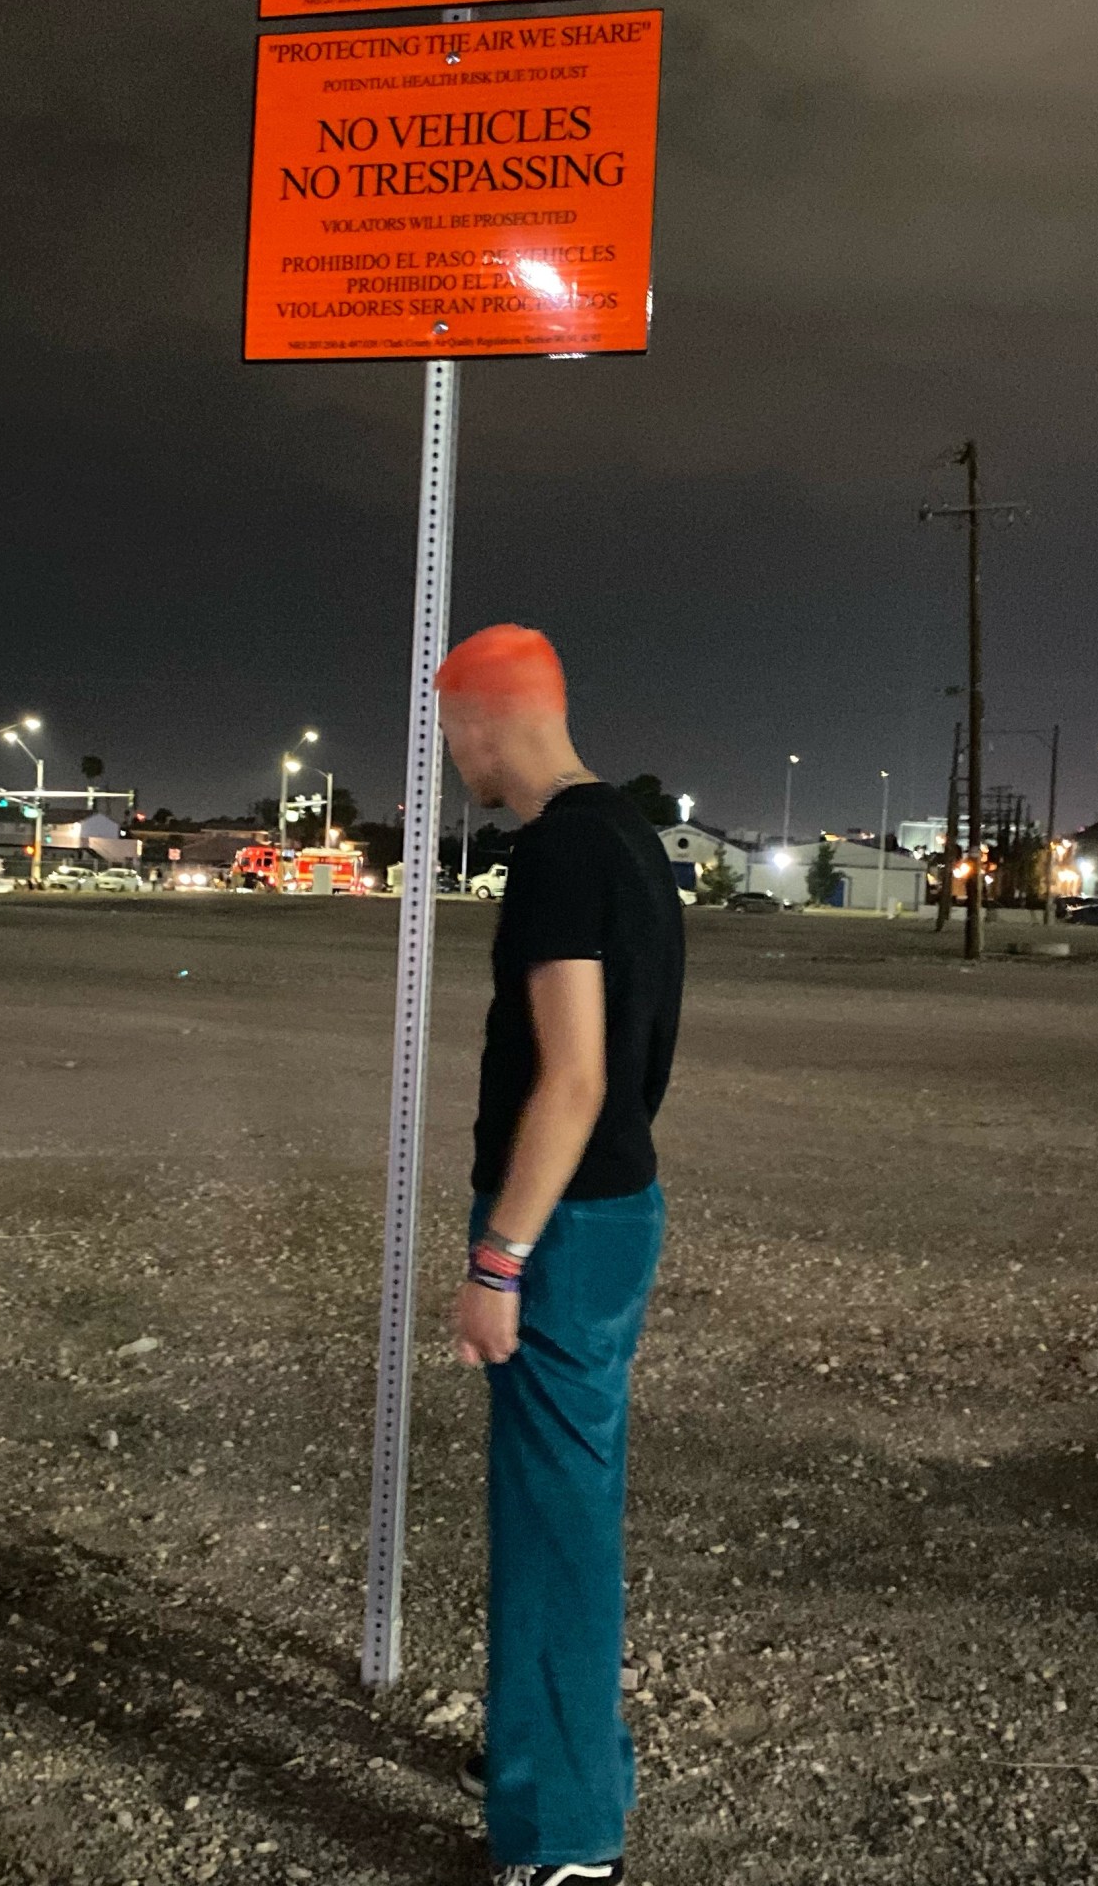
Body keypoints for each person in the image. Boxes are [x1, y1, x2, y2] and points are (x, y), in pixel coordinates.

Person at [436, 624, 685, 1886]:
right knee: (556, 1502)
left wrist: (497, 1260)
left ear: (480, 721)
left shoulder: (557, 853)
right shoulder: (630, 834)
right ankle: (548, 1748)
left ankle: (565, 1834)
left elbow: (576, 1075)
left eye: (444, 732)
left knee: (553, 1523)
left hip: (566, 1223)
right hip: (607, 1211)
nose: (445, 760)